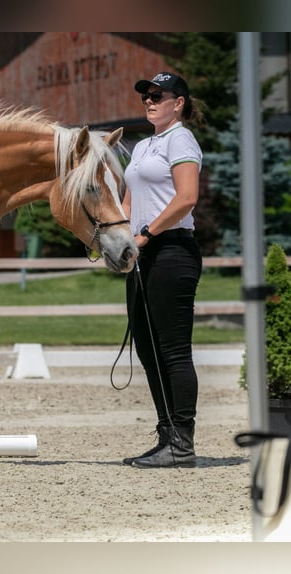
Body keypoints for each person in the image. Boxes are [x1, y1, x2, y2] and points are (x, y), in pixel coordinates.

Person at [121, 72, 205, 469]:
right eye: (145, 97)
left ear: (179, 103)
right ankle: (166, 436)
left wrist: (146, 234)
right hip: (141, 253)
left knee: (173, 350)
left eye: (158, 96)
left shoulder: (180, 139)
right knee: (148, 349)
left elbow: (186, 198)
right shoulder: (141, 147)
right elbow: (127, 202)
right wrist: (116, 240)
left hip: (171, 250)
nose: (149, 101)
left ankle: (183, 442)